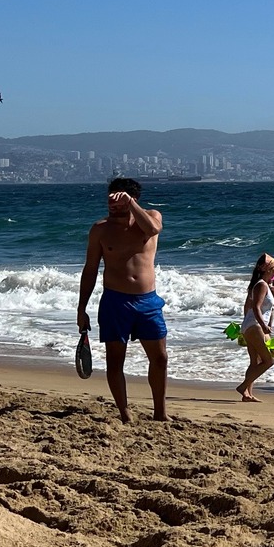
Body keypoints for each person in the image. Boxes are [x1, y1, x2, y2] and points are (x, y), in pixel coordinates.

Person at [77, 177, 168, 423]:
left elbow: (152, 230)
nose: (113, 207)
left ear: (133, 200)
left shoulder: (150, 217)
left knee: (160, 358)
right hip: (115, 302)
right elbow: (90, 269)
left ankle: (160, 412)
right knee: (116, 360)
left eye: (120, 201)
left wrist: (131, 205)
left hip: (148, 301)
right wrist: (81, 308)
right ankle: (124, 413)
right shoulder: (100, 229)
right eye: (111, 202)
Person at [236, 255, 274, 402]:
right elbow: (256, 307)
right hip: (254, 325)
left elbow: (249, 307)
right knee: (269, 361)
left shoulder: (262, 285)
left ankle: (248, 394)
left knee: (255, 362)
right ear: (268, 270)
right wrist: (263, 325)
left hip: (250, 325)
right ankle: (243, 387)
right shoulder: (261, 285)